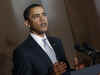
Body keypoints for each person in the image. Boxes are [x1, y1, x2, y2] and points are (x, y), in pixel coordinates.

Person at [12, 3, 70, 75]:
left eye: (44, 14)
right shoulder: (22, 52)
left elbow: (64, 70)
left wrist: (76, 70)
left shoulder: (57, 41)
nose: (42, 19)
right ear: (27, 23)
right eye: (36, 16)